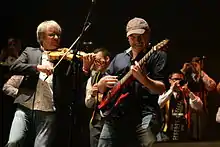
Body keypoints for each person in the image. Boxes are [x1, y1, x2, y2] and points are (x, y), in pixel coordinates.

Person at [96, 17, 168, 147]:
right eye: (133, 37)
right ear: (127, 38)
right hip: (116, 114)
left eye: (141, 36)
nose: (137, 41)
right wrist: (101, 85)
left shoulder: (158, 56)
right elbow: (102, 88)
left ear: (148, 35)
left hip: (144, 115)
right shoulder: (119, 58)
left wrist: (143, 79)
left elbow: (161, 88)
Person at [7, 20, 62, 147]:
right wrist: (37, 67)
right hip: (25, 105)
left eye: (58, 35)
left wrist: (85, 67)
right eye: (52, 34)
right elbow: (15, 67)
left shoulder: (63, 57)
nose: (56, 38)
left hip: (48, 109)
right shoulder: (30, 51)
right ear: (41, 37)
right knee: (13, 142)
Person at [158, 71, 203, 141]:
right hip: (166, 133)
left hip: (184, 132)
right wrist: (171, 90)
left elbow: (199, 107)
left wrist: (189, 92)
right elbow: (159, 104)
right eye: (175, 79)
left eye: (180, 80)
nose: (178, 82)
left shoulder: (187, 95)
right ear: (170, 80)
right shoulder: (165, 94)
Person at [181, 56, 216, 140]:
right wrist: (183, 71)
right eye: (193, 64)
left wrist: (200, 72)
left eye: (197, 64)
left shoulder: (203, 75)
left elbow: (212, 86)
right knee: (190, 130)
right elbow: (178, 85)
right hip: (188, 107)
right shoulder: (186, 75)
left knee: (202, 130)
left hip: (202, 106)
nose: (194, 66)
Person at [85, 48, 111, 147]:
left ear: (107, 59)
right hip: (97, 121)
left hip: (111, 119)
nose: (96, 63)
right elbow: (88, 104)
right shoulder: (92, 79)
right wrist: (92, 94)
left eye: (98, 60)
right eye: (94, 61)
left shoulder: (115, 74)